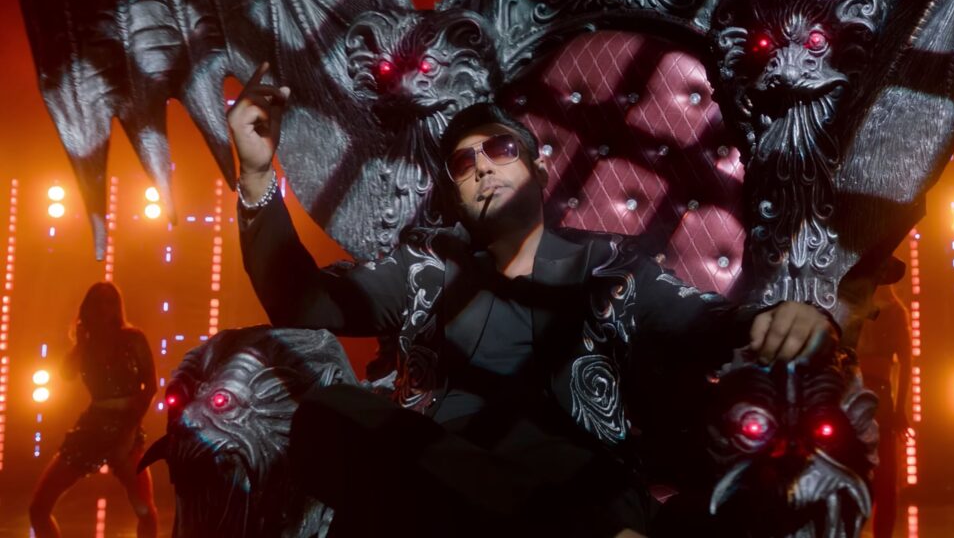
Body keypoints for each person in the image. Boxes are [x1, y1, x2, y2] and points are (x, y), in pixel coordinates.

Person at [229, 63, 838, 537]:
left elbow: (709, 321)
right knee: (326, 414)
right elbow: (303, 303)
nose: (481, 167)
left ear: (541, 172)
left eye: (500, 150)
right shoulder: (426, 266)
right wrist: (257, 175)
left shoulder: (608, 265)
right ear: (456, 195)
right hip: (443, 479)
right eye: (463, 163)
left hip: (575, 477)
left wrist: (792, 313)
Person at [29, 282, 158, 538]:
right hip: (93, 427)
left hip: (125, 426)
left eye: (110, 302)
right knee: (38, 509)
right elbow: (66, 374)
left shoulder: (133, 338)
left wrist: (129, 431)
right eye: (97, 302)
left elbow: (151, 386)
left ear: (117, 307)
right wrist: (80, 344)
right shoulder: (86, 344)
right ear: (87, 308)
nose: (103, 308)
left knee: (145, 510)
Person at [858, 281, 912, 538]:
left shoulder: (853, 305)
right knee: (885, 479)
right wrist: (900, 408)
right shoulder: (895, 312)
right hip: (876, 395)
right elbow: (907, 362)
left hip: (856, 394)